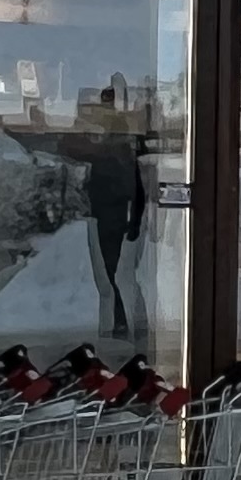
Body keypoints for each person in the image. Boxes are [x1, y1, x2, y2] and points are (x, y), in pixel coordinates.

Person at [81, 79, 146, 342]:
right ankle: (120, 321)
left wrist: (135, 222)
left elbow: (131, 188)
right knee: (114, 273)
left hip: (112, 216)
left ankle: (120, 321)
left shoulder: (113, 152)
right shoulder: (121, 151)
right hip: (113, 215)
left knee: (113, 273)